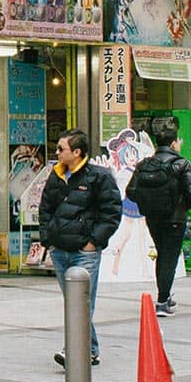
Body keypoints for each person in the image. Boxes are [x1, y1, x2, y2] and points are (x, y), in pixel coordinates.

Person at [38, 128, 122, 367]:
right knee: (72, 301)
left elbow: (112, 213)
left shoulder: (99, 177)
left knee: (82, 302)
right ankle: (90, 348)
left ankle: (75, 349)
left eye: (61, 149)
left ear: (77, 152)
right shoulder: (56, 175)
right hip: (60, 249)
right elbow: (45, 208)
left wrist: (93, 242)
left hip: (84, 253)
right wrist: (48, 238)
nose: (57, 153)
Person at [129, 115, 191, 316]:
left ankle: (165, 296)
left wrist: (148, 203)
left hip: (152, 217)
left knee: (163, 253)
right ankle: (162, 301)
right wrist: (185, 206)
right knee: (169, 256)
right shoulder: (181, 164)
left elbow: (131, 191)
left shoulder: (145, 164)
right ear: (174, 143)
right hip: (175, 218)